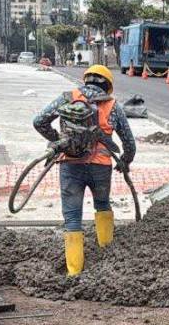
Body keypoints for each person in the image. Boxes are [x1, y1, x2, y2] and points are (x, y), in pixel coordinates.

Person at [33, 64, 136, 277]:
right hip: (100, 167)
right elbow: (129, 142)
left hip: (70, 165)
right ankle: (106, 256)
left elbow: (39, 121)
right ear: (108, 85)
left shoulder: (67, 98)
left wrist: (59, 141)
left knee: (72, 218)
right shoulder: (112, 105)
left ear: (86, 79)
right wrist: (125, 161)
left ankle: (74, 271)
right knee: (102, 205)